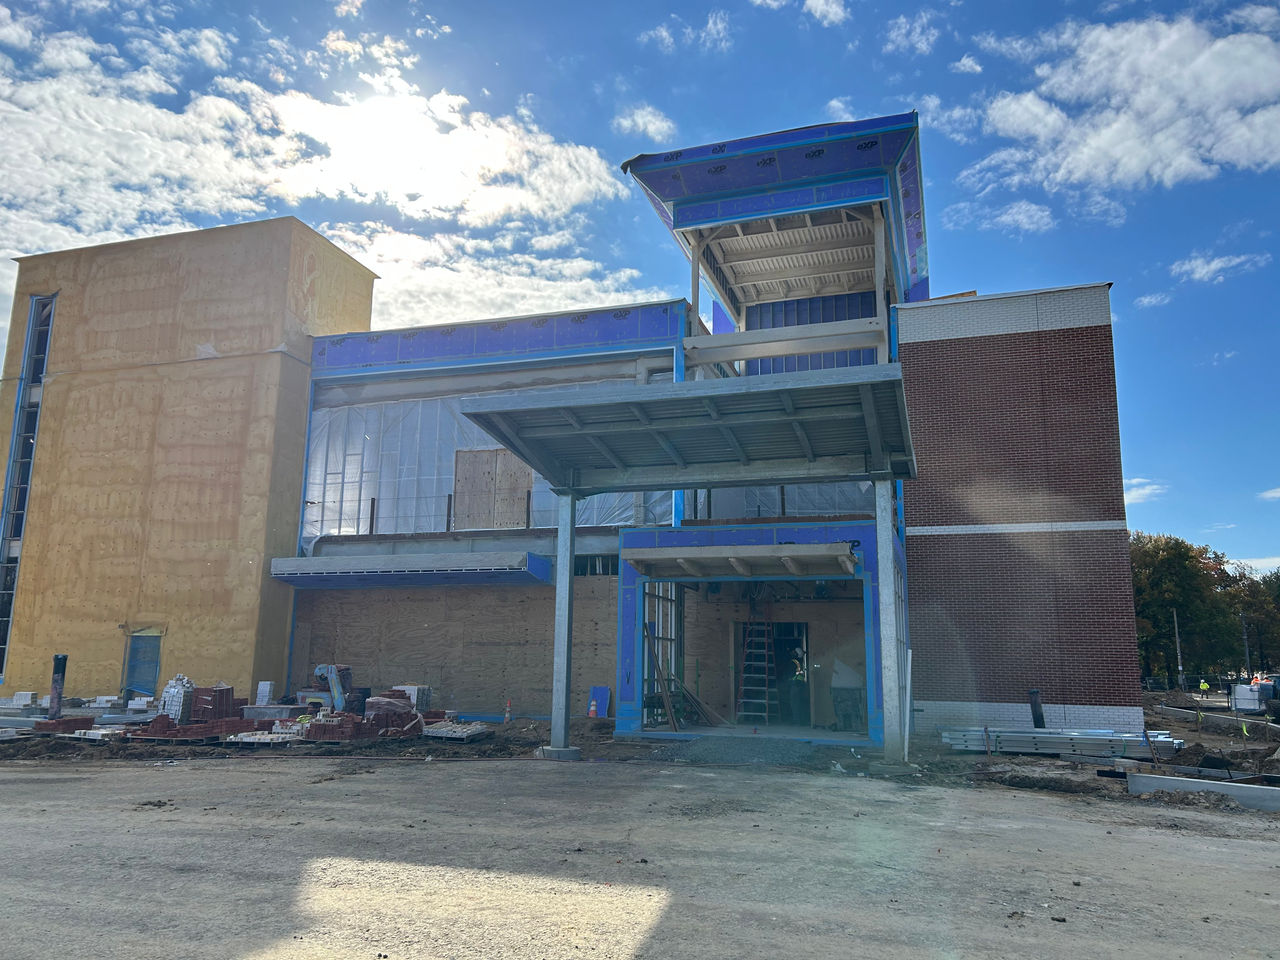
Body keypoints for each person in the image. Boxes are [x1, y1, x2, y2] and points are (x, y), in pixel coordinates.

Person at [830, 657, 863, 732]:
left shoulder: (847, 680)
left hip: (846, 702)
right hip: (844, 702)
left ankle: (851, 727)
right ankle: (845, 726)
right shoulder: (842, 683)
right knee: (846, 714)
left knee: (851, 714)